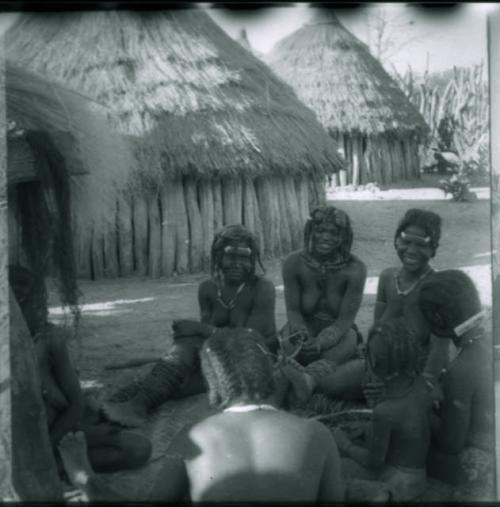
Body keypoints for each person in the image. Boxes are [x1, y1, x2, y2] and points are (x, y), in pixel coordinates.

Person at [57, 330, 345, 502]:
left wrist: (84, 477)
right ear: (269, 375)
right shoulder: (317, 434)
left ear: (214, 383)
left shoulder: (192, 437)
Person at [102, 224, 277, 427]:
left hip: (254, 361)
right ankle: (128, 404)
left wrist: (199, 329)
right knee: (184, 350)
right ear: (218, 256)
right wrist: (192, 336)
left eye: (244, 257)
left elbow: (249, 339)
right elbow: (207, 342)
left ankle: (137, 403)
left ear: (253, 258)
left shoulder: (262, 288)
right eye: (231, 256)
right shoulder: (208, 289)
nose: (237, 263)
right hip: (222, 357)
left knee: (179, 367)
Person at [281, 208, 448, 406]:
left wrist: (423, 383)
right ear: (396, 241)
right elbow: (376, 331)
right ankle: (309, 381)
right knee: (337, 379)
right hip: (381, 364)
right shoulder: (388, 278)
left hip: (413, 371)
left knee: (357, 373)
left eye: (421, 244)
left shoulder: (437, 287)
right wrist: (371, 370)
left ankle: (306, 381)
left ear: (433, 249)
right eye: (406, 241)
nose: (411, 250)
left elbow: (440, 350)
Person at [9, 265, 152, 474]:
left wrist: (49, 444)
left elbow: (75, 404)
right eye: (38, 307)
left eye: (45, 305)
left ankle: (49, 466)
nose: (45, 312)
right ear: (14, 312)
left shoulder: (51, 339)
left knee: (138, 448)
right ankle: (45, 467)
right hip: (16, 445)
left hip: (57, 432)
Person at [332, 319, 431, 502]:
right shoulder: (420, 386)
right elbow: (404, 430)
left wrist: (345, 444)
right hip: (419, 476)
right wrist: (367, 427)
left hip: (398, 481)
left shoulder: (385, 412)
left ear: (373, 363)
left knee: (337, 466)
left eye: (365, 353)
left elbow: (374, 461)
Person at [418, 270, 495, 500]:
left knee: (407, 447)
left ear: (438, 319)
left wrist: (424, 405)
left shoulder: (460, 369)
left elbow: (451, 444)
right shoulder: (487, 339)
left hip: (486, 457)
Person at [279, 206, 366, 400]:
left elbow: (345, 319)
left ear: (343, 237)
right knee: (289, 342)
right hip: (302, 328)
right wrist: (302, 336)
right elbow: (293, 310)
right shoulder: (293, 263)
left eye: (333, 233)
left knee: (350, 338)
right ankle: (314, 379)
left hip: (338, 335)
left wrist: (320, 343)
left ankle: (306, 378)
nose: (325, 237)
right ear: (310, 232)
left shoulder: (355, 269)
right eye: (320, 231)